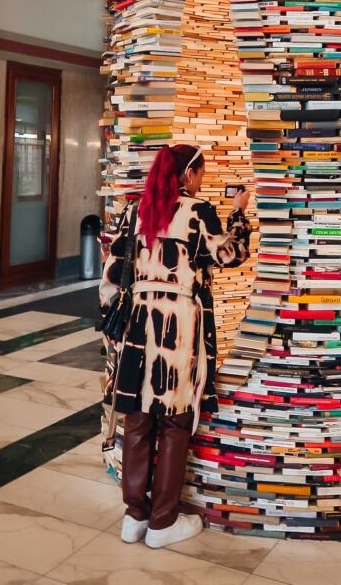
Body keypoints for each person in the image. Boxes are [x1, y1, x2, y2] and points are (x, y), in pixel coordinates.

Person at [99, 143, 251, 549]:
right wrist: (239, 212)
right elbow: (230, 255)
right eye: (201, 172)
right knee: (174, 418)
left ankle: (135, 516)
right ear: (188, 174)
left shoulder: (137, 211)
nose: (202, 180)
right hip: (176, 324)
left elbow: (114, 267)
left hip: (138, 322)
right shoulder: (197, 212)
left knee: (137, 416)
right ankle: (163, 521)